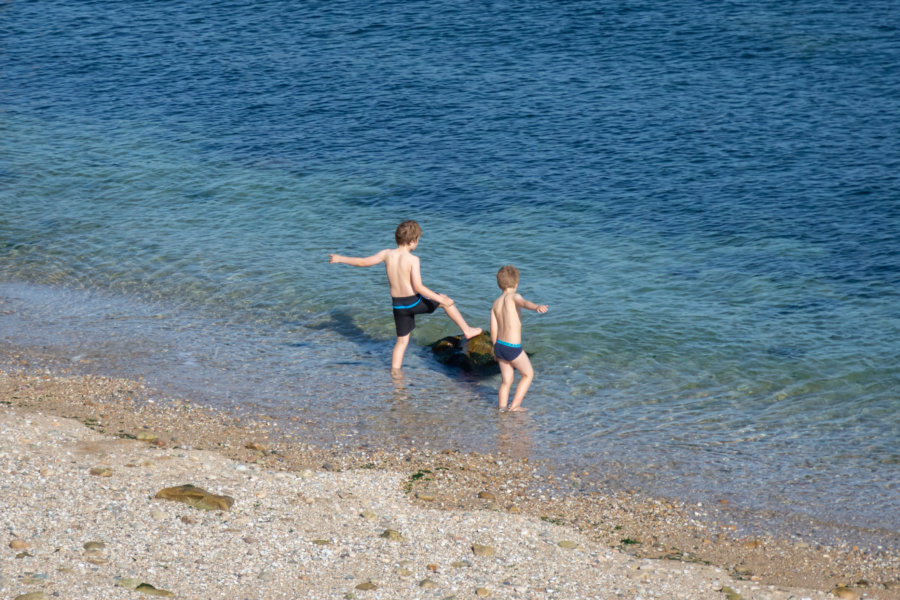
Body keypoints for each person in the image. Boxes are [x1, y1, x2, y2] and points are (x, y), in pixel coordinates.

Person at [329, 220, 482, 374]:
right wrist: (442, 300)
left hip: (398, 306)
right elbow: (419, 287)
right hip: (413, 303)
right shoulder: (413, 260)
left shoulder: (386, 254)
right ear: (412, 242)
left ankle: (395, 373)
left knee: (401, 342)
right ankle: (467, 329)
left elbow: (363, 262)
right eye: (418, 240)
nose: (418, 243)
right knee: (444, 299)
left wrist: (340, 258)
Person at [490, 265, 548, 412]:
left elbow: (493, 328)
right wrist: (536, 307)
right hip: (512, 348)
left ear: (499, 284)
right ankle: (515, 406)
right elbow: (524, 303)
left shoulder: (495, 303)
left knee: (506, 381)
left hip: (500, 346)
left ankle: (502, 408)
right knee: (528, 374)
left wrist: (495, 348)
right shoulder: (514, 296)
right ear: (516, 284)